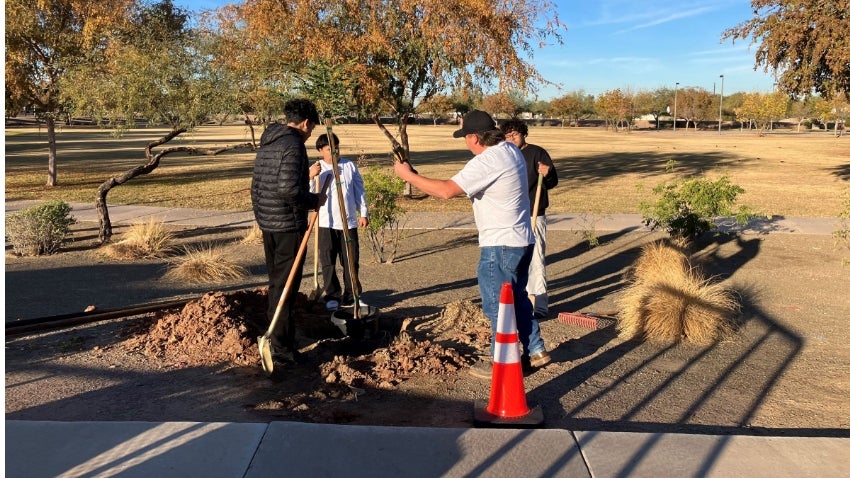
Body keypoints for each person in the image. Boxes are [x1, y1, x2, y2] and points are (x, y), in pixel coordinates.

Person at [393, 110, 551, 379]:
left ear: (475, 137)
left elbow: (446, 191)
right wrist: (420, 178)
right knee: (519, 299)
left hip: (500, 244)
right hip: (521, 240)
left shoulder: (488, 160)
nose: (465, 143)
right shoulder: (510, 151)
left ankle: (500, 361)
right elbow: (459, 188)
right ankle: (535, 350)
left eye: (464, 137)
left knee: (496, 306)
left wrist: (406, 176)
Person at [250, 98, 326, 373]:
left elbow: (259, 184)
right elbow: (288, 190)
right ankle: (282, 348)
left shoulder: (269, 141)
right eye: (312, 128)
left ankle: (278, 337)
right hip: (286, 225)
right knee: (286, 287)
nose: (310, 133)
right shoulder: (293, 145)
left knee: (277, 282)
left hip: (268, 223)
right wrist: (313, 200)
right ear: (306, 123)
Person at [500, 119, 558, 319]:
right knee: (512, 259)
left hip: (534, 214)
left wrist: (548, 173)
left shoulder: (537, 153)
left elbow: (552, 182)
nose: (511, 139)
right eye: (507, 136)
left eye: (515, 134)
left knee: (536, 259)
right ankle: (516, 301)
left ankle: (540, 305)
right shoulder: (504, 154)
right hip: (511, 216)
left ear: (524, 134)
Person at [309, 132, 369, 310]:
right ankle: (332, 296)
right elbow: (309, 195)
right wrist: (310, 176)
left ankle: (352, 296)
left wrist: (363, 213)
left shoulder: (349, 165)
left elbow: (360, 191)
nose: (334, 152)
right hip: (326, 223)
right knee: (328, 261)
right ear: (321, 151)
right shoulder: (317, 168)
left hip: (347, 222)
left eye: (337, 148)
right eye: (329, 149)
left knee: (351, 260)